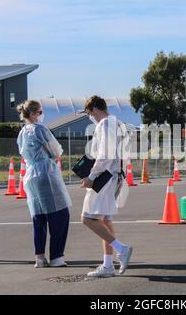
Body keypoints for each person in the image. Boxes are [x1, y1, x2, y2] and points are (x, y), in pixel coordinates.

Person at [80, 95, 133, 278]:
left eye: (89, 113)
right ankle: (108, 265)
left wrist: (91, 176)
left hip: (106, 177)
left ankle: (121, 249)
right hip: (116, 175)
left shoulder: (105, 124)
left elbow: (104, 155)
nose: (90, 117)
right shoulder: (118, 123)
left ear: (94, 109)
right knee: (105, 220)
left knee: (88, 219)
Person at [16, 100, 72, 268]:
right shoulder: (40, 129)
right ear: (33, 114)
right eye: (40, 112)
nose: (41, 115)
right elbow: (56, 150)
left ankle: (40, 257)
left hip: (31, 174)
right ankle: (56, 256)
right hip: (46, 172)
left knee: (38, 216)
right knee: (60, 214)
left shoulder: (23, 132)